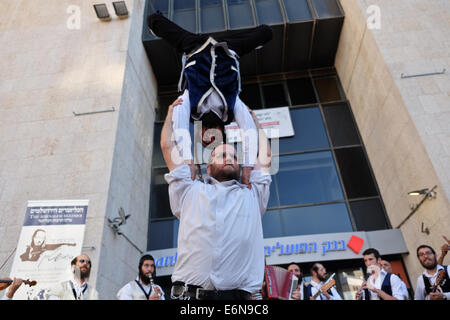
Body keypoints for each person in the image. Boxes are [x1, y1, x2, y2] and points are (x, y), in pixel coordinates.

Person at [162, 98, 272, 300]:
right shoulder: (188, 190)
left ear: (241, 167)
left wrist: (254, 123)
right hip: (190, 297)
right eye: (222, 155)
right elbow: (168, 148)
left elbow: (265, 156)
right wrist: (171, 114)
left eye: (235, 157)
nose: (229, 158)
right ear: (208, 167)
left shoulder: (253, 194)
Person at [147, 12, 273, 186]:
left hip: (194, 47)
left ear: (200, 133)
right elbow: (248, 129)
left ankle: (155, 23)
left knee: (153, 21)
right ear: (221, 133)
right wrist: (248, 167)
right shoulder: (230, 110)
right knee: (267, 32)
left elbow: (180, 125)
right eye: (214, 139)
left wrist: (188, 160)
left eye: (206, 139)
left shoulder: (192, 111)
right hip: (228, 49)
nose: (209, 136)